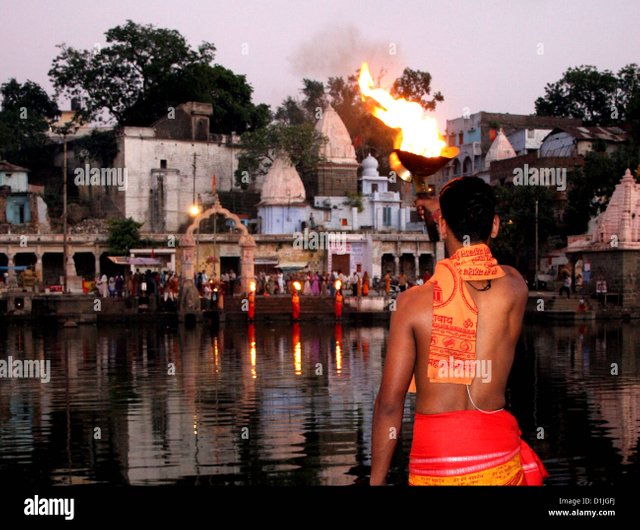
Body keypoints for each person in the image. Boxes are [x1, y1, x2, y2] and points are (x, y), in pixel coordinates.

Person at [371, 177, 547, 486]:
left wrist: (376, 481)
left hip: (437, 463)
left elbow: (389, 404)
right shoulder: (516, 287)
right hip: (499, 457)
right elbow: (491, 272)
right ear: (494, 225)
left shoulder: (412, 305)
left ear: (441, 226)